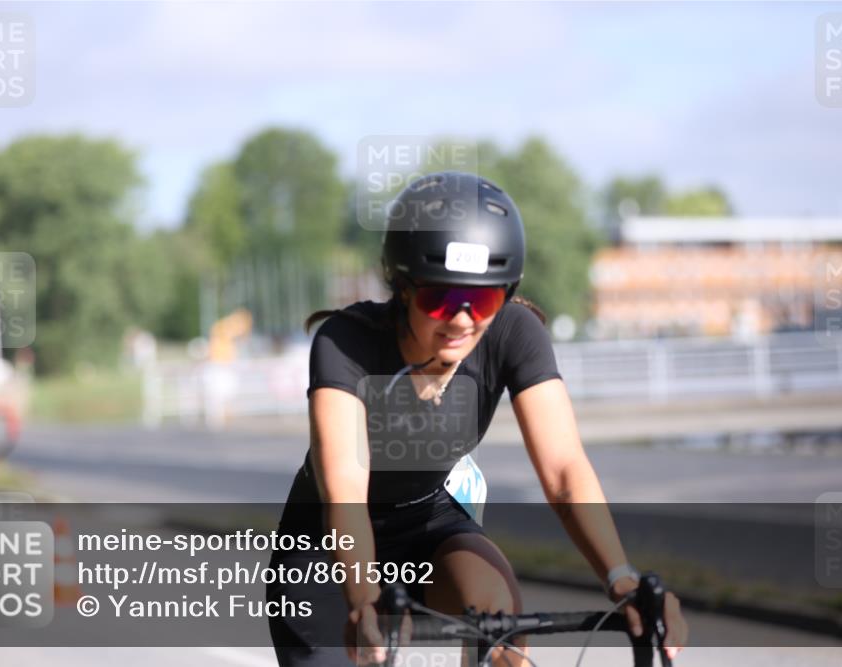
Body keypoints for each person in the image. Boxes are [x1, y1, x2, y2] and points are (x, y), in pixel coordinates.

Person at [266, 171, 687, 666]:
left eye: (483, 299)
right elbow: (345, 494)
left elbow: (565, 472)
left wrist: (622, 578)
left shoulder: (514, 332)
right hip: (326, 543)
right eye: (439, 298)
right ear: (403, 288)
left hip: (428, 520)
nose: (462, 320)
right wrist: (365, 598)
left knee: (499, 626)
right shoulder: (346, 344)